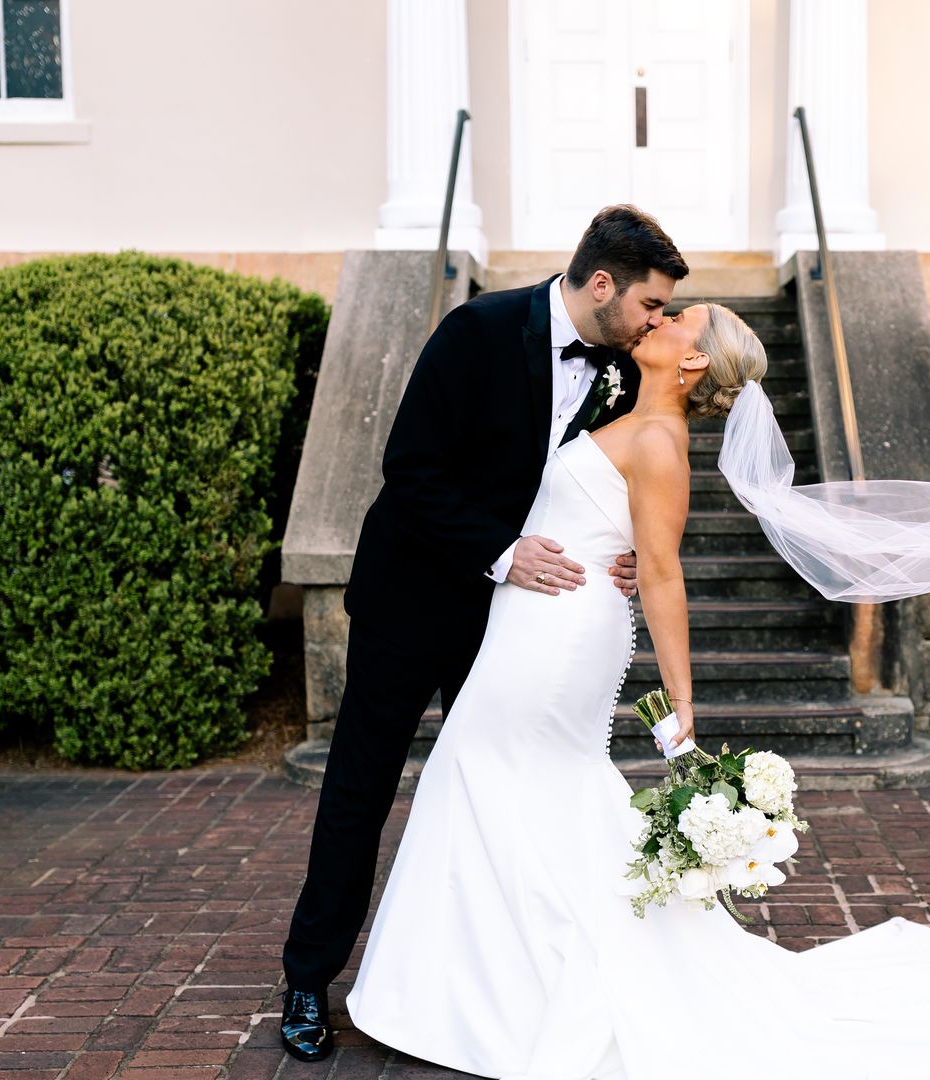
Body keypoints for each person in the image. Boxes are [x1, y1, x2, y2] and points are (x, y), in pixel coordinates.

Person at [339, 300, 930, 1078]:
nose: (664, 315)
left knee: (493, 772)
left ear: (690, 364)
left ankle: (500, 994)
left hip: (558, 634)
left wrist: (683, 697)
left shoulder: (659, 440)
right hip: (533, 615)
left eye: (681, 316)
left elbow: (661, 571)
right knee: (500, 782)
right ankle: (486, 987)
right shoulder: (624, 399)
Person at [277, 205, 691, 1062]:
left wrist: (612, 547)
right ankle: (309, 980)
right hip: (414, 598)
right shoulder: (477, 330)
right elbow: (411, 470)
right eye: (651, 305)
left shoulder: (621, 371)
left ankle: (485, 985)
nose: (657, 323)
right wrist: (503, 553)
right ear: (602, 283)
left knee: (498, 795)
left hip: (519, 628)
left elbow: (602, 485)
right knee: (361, 787)